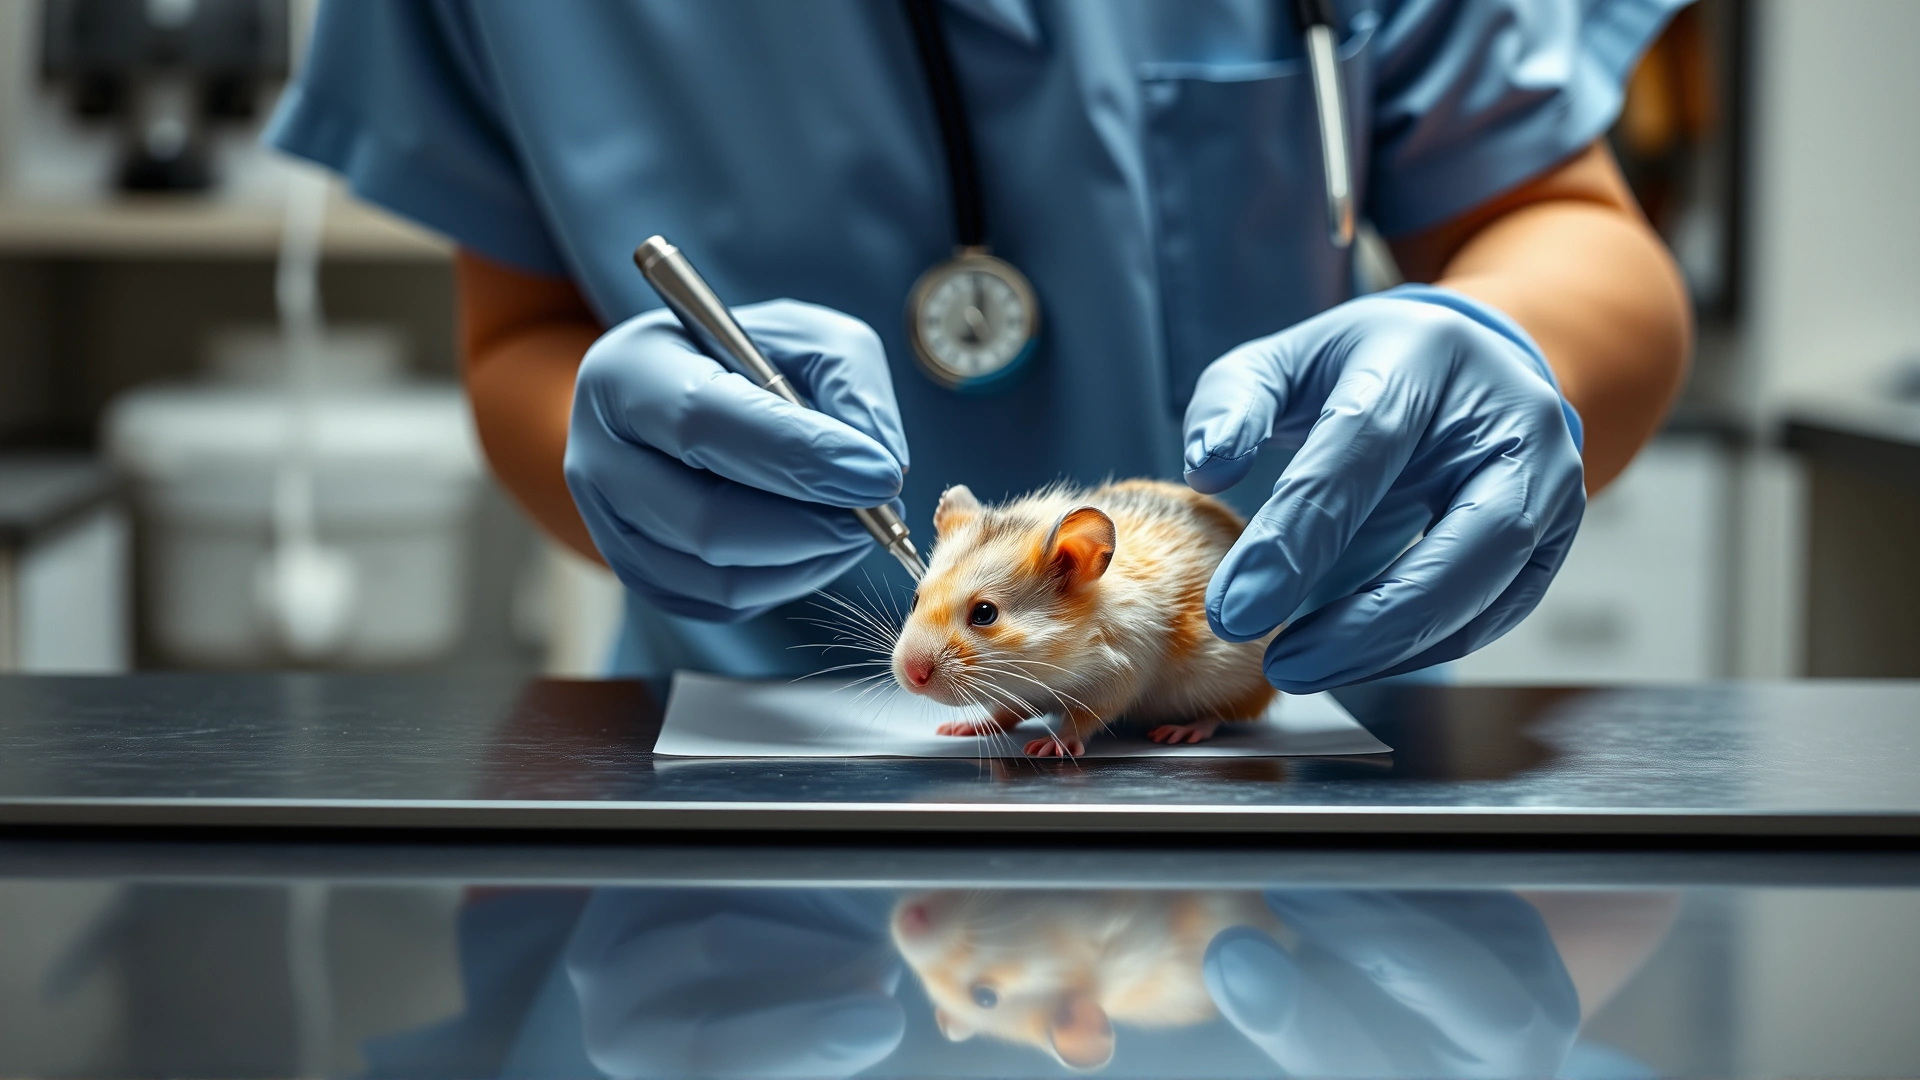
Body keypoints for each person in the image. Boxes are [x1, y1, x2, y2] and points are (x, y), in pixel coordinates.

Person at [267, 0, 1692, 689]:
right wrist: (623, 449)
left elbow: (1573, 230)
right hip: (742, 802)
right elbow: (515, 333)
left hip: (1298, 729)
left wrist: (1499, 348)